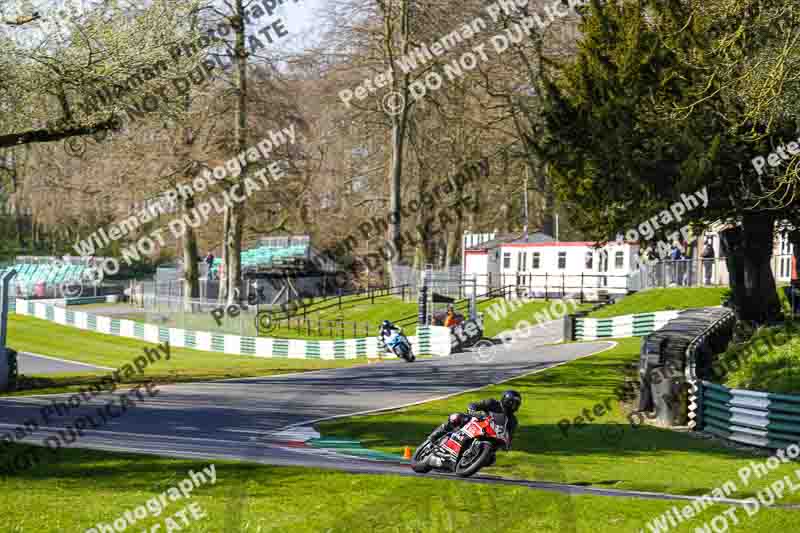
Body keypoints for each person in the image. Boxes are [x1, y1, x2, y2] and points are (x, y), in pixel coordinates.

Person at [422, 390, 522, 468]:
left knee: (491, 458)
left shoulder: (513, 420)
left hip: (492, 436)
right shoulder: (492, 403)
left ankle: (468, 462)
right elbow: (475, 405)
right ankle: (433, 438)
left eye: (516, 404)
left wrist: (507, 445)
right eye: (512, 403)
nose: (514, 406)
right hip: (477, 423)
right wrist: (473, 410)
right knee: (456, 417)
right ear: (506, 400)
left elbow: (510, 434)